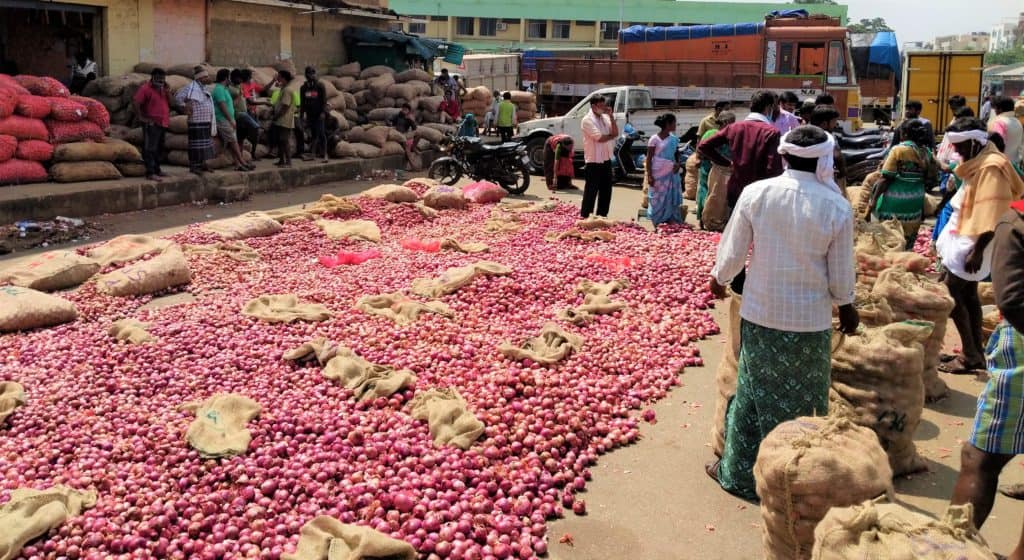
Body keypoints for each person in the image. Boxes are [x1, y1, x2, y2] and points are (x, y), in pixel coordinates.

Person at [705, 125, 859, 500]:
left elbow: (733, 249)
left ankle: (742, 475)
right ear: (823, 160)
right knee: (806, 400)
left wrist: (719, 278)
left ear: (784, 156)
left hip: (762, 313)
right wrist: (847, 306)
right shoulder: (836, 205)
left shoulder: (758, 194)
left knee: (753, 394)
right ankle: (794, 481)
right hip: (811, 321)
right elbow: (841, 273)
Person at [949, 198, 1024, 559]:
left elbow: (1011, 299)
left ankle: (952, 549)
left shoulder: (1017, 221)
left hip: (1022, 351)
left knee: (981, 456)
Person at [937, 118, 1024, 374]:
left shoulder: (992, 167)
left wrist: (977, 250)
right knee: (968, 294)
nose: (958, 152)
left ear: (976, 141)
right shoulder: (981, 160)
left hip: (975, 239)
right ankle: (974, 351)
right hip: (965, 231)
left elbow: (993, 213)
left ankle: (970, 354)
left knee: (951, 292)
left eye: (962, 146)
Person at [698, 90, 785, 249]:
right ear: (768, 108)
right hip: (760, 193)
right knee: (760, 239)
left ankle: (737, 272)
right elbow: (773, 168)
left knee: (737, 235)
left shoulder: (735, 128)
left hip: (736, 189)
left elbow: (704, 145)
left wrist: (727, 163)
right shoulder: (771, 132)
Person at [871, 118, 940, 249]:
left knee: (889, 237)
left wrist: (873, 201)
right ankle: (904, 259)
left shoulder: (899, 150)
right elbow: (932, 174)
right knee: (908, 237)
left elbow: (886, 178)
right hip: (915, 199)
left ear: (905, 134)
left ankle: (891, 262)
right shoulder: (926, 152)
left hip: (895, 200)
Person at [579, 95, 619, 218]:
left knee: (606, 191)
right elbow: (600, 138)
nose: (603, 108)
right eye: (601, 106)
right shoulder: (587, 120)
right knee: (591, 191)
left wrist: (611, 117)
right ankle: (586, 216)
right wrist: (610, 136)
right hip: (593, 161)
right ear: (593, 106)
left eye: (604, 105)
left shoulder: (605, 118)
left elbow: (615, 133)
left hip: (606, 159)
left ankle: (602, 215)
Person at [697, 111, 736, 230]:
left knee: (719, 196)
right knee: (709, 193)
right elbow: (701, 148)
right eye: (732, 123)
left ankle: (714, 219)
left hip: (724, 168)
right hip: (712, 167)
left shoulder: (730, 135)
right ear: (725, 122)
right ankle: (706, 219)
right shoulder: (713, 133)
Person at [131, 67, 172, 182]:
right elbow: (136, 102)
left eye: (162, 79)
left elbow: (171, 102)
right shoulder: (145, 89)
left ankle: (157, 169)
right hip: (151, 123)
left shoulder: (163, 89)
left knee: (159, 148)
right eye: (158, 79)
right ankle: (150, 172)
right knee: (150, 148)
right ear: (152, 78)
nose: (161, 81)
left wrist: (168, 91)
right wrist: (141, 117)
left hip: (163, 122)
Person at [644, 113, 684, 227]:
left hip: (671, 171)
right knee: (657, 196)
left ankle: (670, 219)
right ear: (668, 124)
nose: (676, 125)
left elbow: (677, 155)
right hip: (658, 172)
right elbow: (649, 159)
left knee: (670, 196)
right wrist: (649, 175)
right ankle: (657, 220)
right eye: (674, 122)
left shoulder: (674, 139)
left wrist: (677, 164)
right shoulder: (654, 139)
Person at [175, 66, 216, 175]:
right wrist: (185, 106)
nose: (208, 78)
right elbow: (178, 97)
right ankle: (194, 166)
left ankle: (203, 164)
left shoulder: (204, 88)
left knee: (205, 144)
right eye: (206, 76)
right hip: (196, 120)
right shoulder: (190, 88)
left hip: (206, 120)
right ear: (200, 78)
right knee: (196, 145)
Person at [211, 69, 252, 172]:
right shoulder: (219, 89)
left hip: (229, 119)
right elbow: (222, 106)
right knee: (233, 141)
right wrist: (231, 120)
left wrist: (239, 96)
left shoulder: (225, 89)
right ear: (226, 78)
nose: (231, 79)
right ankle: (242, 161)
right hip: (223, 119)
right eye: (229, 77)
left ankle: (238, 164)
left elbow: (231, 105)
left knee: (231, 142)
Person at [808, 105, 847, 193]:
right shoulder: (828, 139)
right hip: (824, 188)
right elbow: (838, 160)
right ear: (824, 124)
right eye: (834, 121)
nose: (835, 124)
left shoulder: (803, 136)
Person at [231, 69, 262, 160]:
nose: (251, 79)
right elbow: (248, 101)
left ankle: (246, 156)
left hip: (249, 112)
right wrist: (264, 103)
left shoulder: (240, 87)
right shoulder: (238, 88)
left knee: (241, 138)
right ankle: (242, 158)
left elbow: (263, 89)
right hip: (242, 114)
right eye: (250, 77)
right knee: (254, 128)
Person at [300, 66, 328, 163]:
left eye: (312, 73)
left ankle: (325, 154)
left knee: (321, 133)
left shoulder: (320, 86)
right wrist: (301, 115)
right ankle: (313, 154)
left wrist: (323, 112)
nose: (310, 76)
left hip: (319, 114)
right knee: (313, 134)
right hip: (310, 114)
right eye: (308, 74)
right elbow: (302, 102)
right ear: (306, 75)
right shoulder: (303, 88)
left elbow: (324, 101)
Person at [271, 70, 297, 168]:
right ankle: (282, 160)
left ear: (283, 78)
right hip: (281, 119)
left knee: (284, 140)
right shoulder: (284, 89)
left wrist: (276, 116)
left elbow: (285, 106)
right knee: (280, 140)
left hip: (285, 119)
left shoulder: (287, 90)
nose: (277, 78)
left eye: (279, 77)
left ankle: (289, 162)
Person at [988, 96, 1023, 167]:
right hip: (1015, 164)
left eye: (995, 109)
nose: (994, 111)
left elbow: (998, 145)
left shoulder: (999, 122)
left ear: (1000, 109)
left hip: (1001, 165)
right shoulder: (1017, 122)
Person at [390, 103, 420, 170]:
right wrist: (391, 124)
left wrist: (411, 120)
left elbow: (414, 128)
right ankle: (413, 166)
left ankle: (413, 147)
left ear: (408, 111)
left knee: (419, 134)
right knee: (406, 146)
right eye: (403, 109)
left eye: (406, 110)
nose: (404, 110)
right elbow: (388, 119)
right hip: (397, 135)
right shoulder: (397, 116)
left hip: (405, 134)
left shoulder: (408, 118)